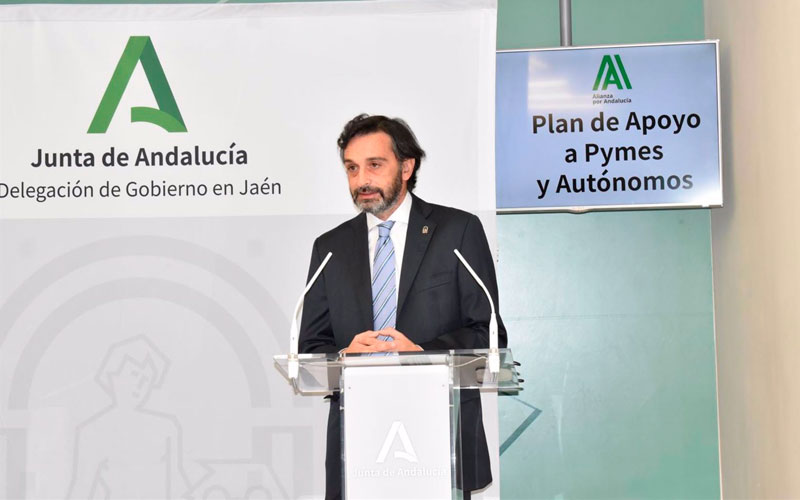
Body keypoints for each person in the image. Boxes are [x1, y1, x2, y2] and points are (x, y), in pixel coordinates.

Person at [299, 114, 507, 500]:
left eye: (374, 165)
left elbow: (489, 333)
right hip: (358, 437)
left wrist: (423, 353)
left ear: (407, 167)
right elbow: (310, 349)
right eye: (352, 168)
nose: (361, 179)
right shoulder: (330, 248)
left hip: (439, 430)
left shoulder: (457, 231)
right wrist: (344, 356)